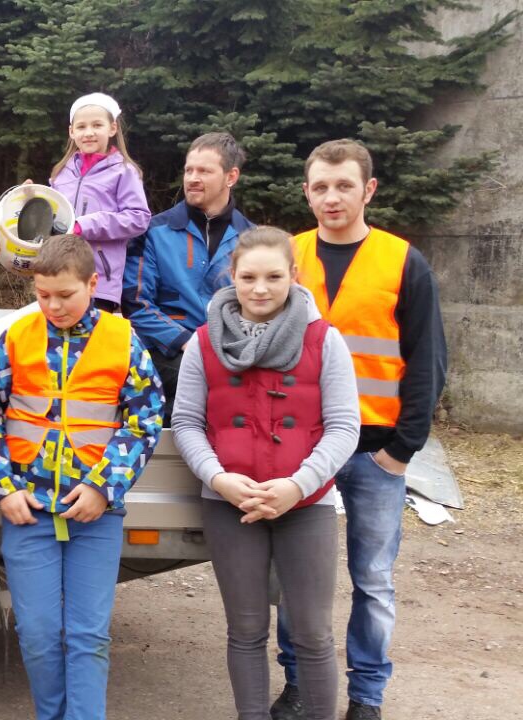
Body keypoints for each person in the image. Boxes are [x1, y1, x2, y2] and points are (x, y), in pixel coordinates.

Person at [272, 139, 447, 720]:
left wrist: (402, 451)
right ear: (306, 191)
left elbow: (427, 361)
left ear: (368, 190)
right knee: (298, 578)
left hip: (376, 452)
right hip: (304, 449)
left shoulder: (402, 261)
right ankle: (299, 685)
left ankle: (366, 697)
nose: (331, 197)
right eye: (320, 186)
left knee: (372, 580)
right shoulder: (289, 255)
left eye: (344, 185)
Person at [0, 234, 163, 720]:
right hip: (27, 513)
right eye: (42, 295)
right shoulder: (17, 338)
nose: (53, 305)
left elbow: (145, 418)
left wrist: (104, 487)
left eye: (65, 295)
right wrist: (3, 487)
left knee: (87, 636)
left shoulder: (122, 340)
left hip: (94, 517)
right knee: (36, 634)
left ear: (93, 284)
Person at [171, 226, 361, 720]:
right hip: (230, 504)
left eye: (274, 277)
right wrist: (218, 479)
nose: (260, 289)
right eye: (249, 277)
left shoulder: (325, 339)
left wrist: (298, 485)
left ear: (294, 278)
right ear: (231, 276)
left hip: (306, 504)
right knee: (247, 628)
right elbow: (186, 422)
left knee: (313, 630)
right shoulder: (202, 344)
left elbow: (344, 426)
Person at [122, 132, 254, 419]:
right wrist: (187, 342)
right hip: (166, 353)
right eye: (188, 170)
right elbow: (136, 304)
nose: (192, 178)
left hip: (231, 355)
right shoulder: (153, 232)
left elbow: (263, 310)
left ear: (231, 177)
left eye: (204, 171)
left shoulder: (252, 240)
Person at [48, 92, 150, 313]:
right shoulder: (61, 173)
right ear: (71, 131)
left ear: (112, 128)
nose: (89, 133)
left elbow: (138, 218)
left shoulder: (124, 171)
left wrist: (84, 226)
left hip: (99, 282)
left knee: (93, 343)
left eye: (97, 125)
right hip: (59, 276)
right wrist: (30, 198)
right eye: (82, 127)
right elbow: (51, 217)